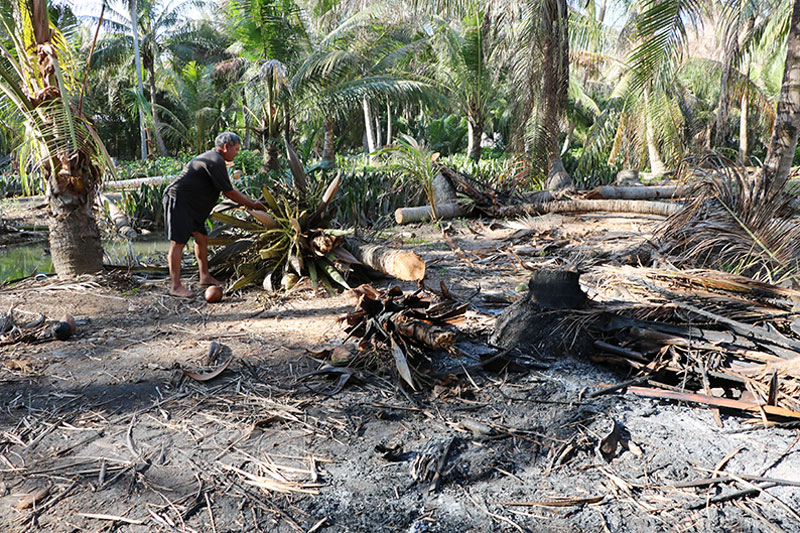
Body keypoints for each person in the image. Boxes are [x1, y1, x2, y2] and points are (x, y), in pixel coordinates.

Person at [163, 132, 264, 297]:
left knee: (201, 237)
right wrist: (253, 204)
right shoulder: (215, 160)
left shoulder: (215, 159)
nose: (237, 153)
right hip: (179, 200)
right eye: (236, 149)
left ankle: (205, 276)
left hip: (192, 204)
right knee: (178, 243)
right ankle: (175, 286)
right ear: (226, 147)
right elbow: (229, 192)